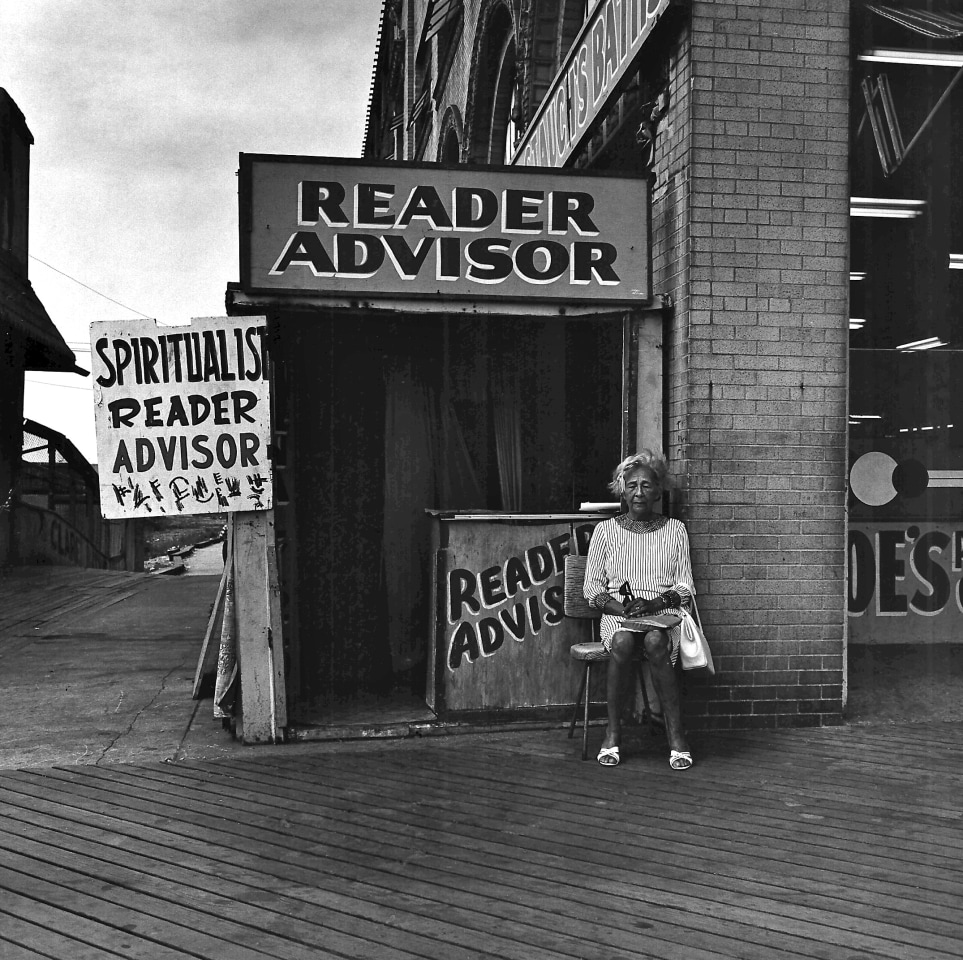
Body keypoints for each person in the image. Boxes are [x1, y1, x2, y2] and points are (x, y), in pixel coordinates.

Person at [582, 450, 695, 770]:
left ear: (659, 491)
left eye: (647, 486)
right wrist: (624, 610)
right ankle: (613, 733)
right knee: (622, 641)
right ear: (622, 489)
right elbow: (592, 590)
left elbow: (685, 589)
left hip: (662, 614)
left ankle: (676, 737)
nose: (639, 492)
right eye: (632, 485)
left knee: (656, 641)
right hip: (620, 614)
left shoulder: (675, 530)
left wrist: (655, 604)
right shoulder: (605, 532)